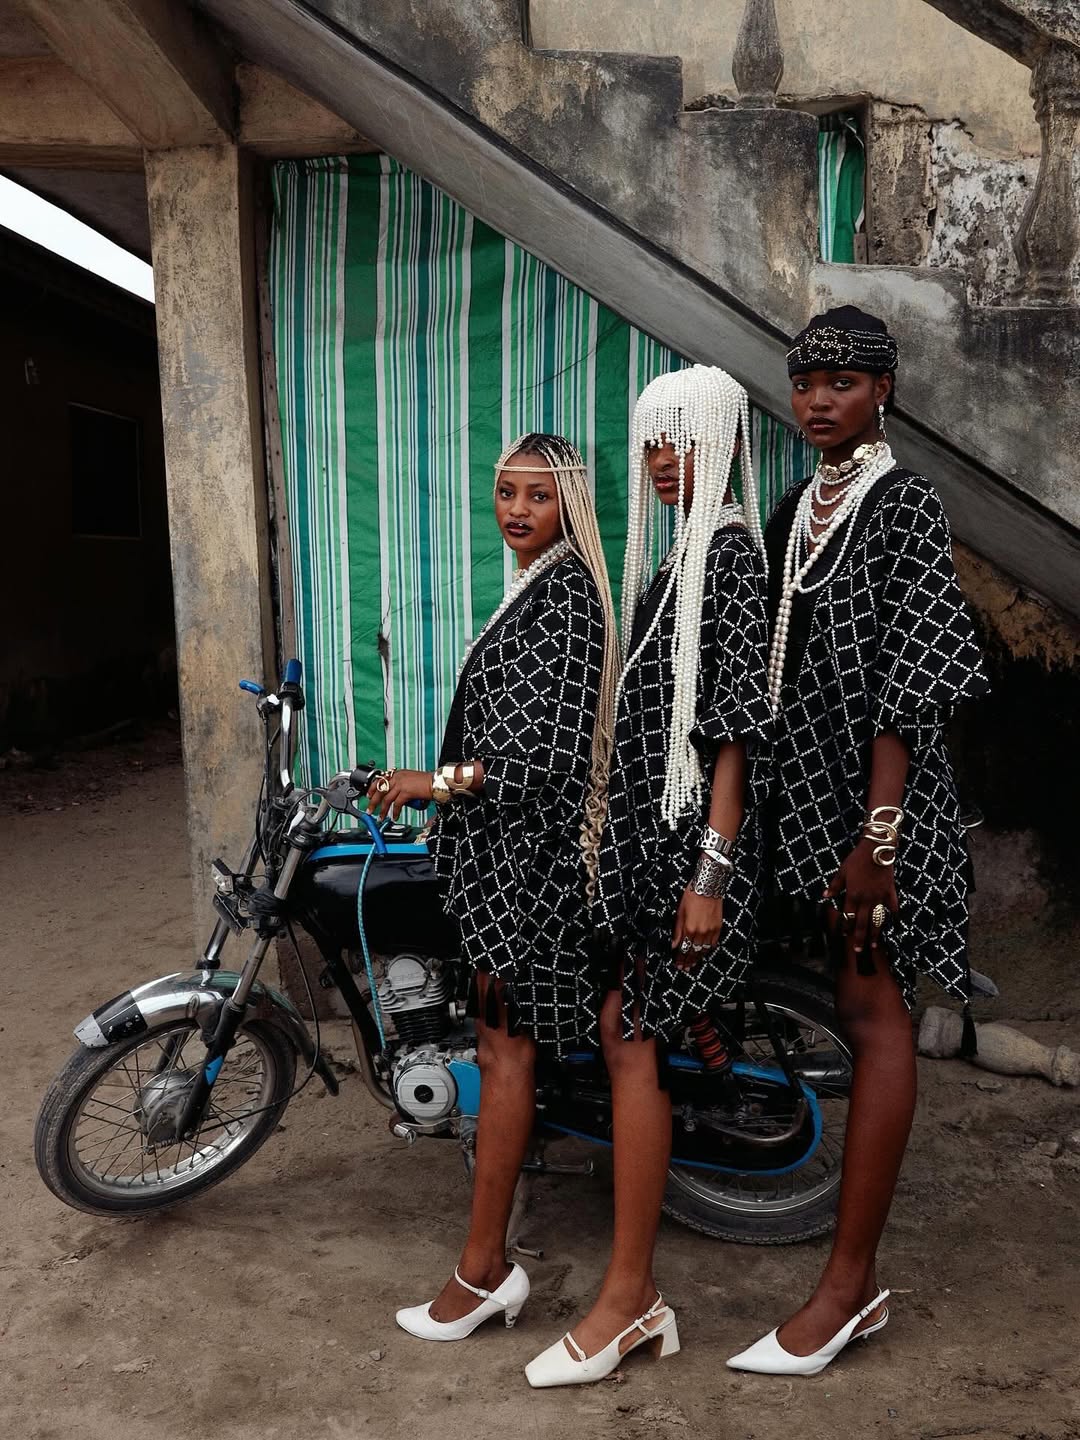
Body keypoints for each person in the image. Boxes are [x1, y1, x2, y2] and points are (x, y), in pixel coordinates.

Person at [727, 306, 989, 1378]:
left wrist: (876, 844)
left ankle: (848, 1287)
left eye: (843, 381)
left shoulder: (904, 504)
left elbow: (911, 688)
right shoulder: (796, 510)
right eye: (805, 383)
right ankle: (848, 1279)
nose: (819, 400)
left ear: (885, 391)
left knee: (877, 1018)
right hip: (808, 803)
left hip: (879, 815)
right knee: (841, 1002)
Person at [524, 365, 773, 1387]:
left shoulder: (731, 558)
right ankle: (634, 1298)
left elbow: (735, 738)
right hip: (649, 851)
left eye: (681, 439)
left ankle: (631, 1300)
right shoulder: (681, 557)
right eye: (652, 443)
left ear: (722, 442)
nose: (663, 461)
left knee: (630, 1045)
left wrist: (709, 879)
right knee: (623, 1039)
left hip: (690, 860)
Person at [371, 434, 620, 1344]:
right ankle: (485, 1263)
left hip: (530, 865)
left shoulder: (566, 598)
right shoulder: (540, 587)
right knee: (496, 1041)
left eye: (537, 496)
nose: (517, 509)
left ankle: (483, 1272)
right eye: (507, 492)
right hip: (503, 858)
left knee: (507, 1052)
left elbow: (544, 760)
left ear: (570, 506)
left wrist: (430, 783)